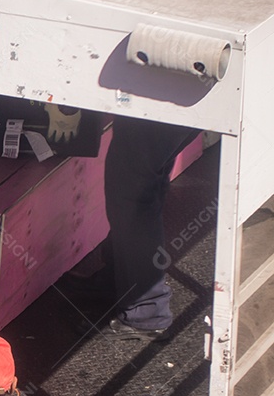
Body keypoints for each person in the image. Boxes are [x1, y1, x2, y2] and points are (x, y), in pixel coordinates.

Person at [85, 115, 201, 341]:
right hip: (182, 96)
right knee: (144, 182)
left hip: (164, 93)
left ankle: (146, 308)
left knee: (134, 194)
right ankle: (123, 281)